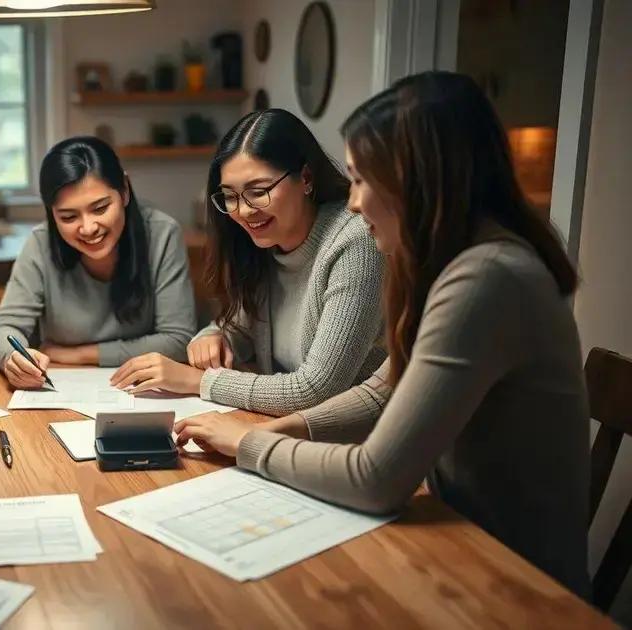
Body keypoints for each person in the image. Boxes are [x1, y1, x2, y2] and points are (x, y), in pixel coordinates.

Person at [175, 72, 589, 597]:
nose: (351, 201)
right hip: (455, 544)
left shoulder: (485, 279)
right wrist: (282, 434)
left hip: (515, 582)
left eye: (363, 180)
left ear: (418, 180)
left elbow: (376, 478)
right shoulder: (451, 264)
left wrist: (252, 444)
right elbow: (382, 390)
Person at [111, 109, 385, 415]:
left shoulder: (356, 241)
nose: (243, 211)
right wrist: (213, 336)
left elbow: (315, 389)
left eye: (258, 191)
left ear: (305, 178)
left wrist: (199, 380)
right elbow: (238, 328)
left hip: (350, 445)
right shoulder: (267, 240)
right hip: (288, 431)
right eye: (230, 196)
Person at [0, 136, 196, 389]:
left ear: (125, 191)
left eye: (100, 208)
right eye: (68, 216)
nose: (88, 228)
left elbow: (177, 340)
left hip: (144, 392)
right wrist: (13, 358)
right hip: (63, 390)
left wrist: (79, 354)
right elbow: (4, 328)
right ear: (51, 214)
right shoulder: (40, 243)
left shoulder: (162, 234)